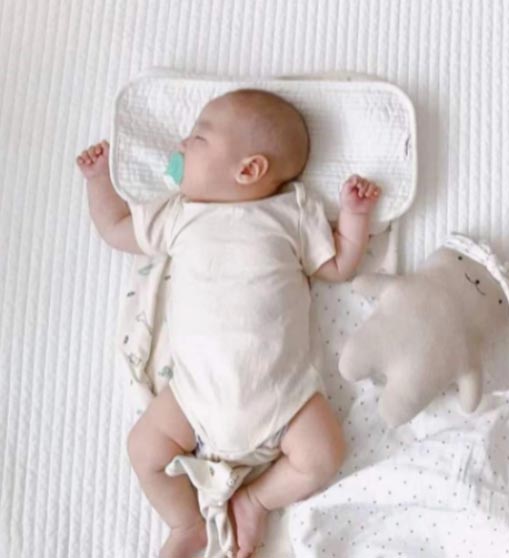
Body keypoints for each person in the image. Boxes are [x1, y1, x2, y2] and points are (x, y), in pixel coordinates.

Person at [76, 88, 381, 558]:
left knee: (324, 454)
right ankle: (186, 524)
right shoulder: (179, 213)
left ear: (249, 169)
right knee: (144, 449)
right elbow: (116, 228)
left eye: (197, 137)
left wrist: (355, 217)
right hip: (194, 398)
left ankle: (256, 500)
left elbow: (338, 265)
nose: (181, 145)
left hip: (284, 401)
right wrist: (99, 180)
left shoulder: (292, 212)